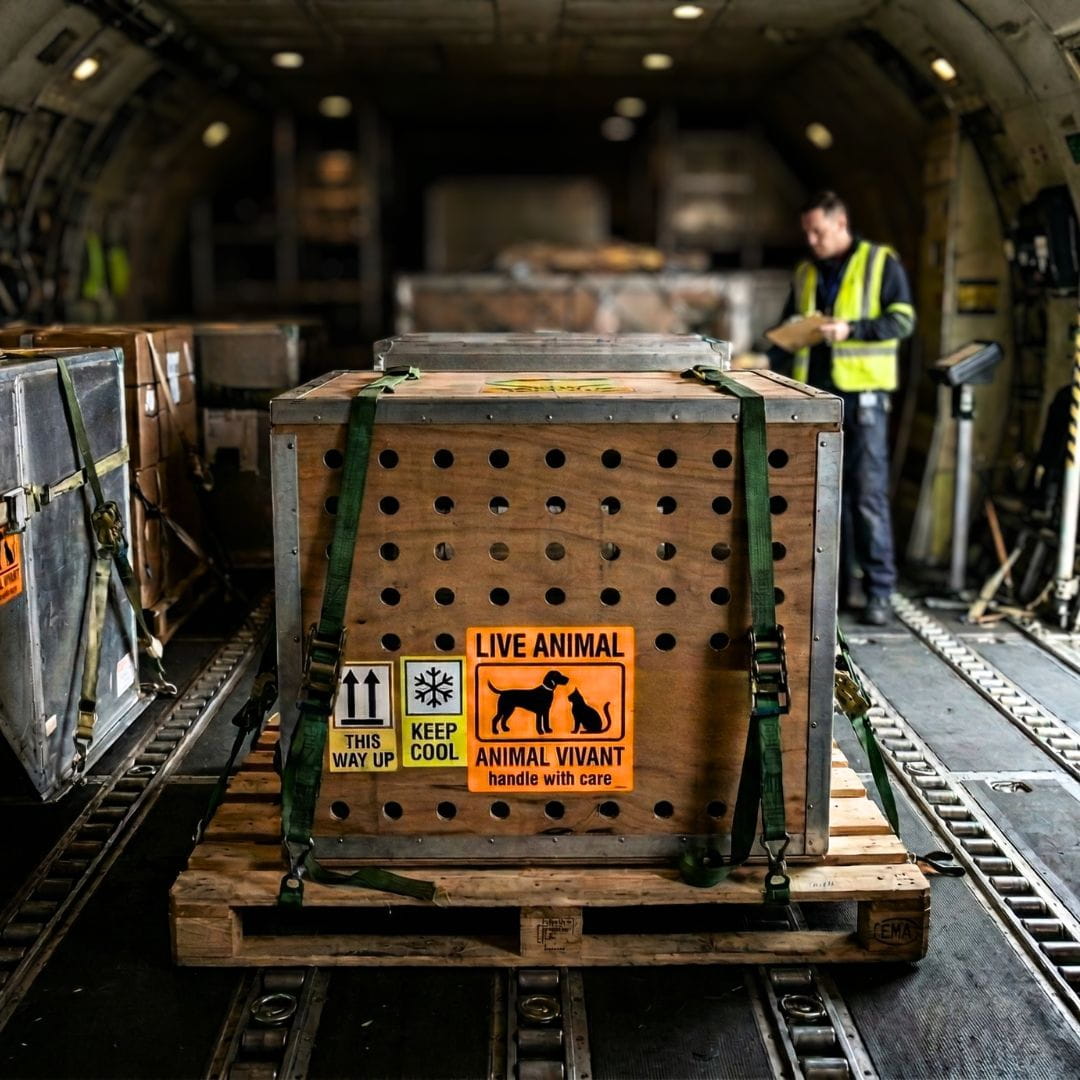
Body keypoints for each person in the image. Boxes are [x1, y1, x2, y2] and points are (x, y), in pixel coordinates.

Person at [767, 191, 916, 626]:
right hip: (815, 400)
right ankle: (838, 589)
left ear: (841, 222)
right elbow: (786, 330)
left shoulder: (879, 263)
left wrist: (852, 329)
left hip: (863, 397)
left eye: (819, 231)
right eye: (807, 232)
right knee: (827, 498)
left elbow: (902, 321)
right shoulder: (805, 272)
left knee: (867, 494)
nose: (812, 240)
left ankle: (879, 591)